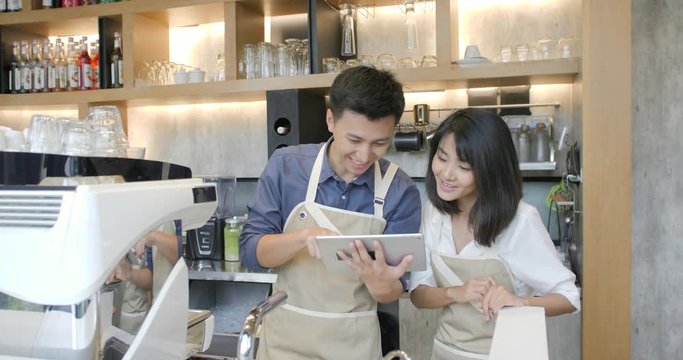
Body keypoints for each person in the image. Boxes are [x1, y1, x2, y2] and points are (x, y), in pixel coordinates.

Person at [239, 65, 421, 359]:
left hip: (354, 345)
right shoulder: (286, 166)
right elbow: (251, 253)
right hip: (285, 341)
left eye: (379, 143)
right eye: (354, 140)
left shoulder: (401, 191)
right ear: (329, 120)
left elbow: (394, 289)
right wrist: (302, 238)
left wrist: (381, 284)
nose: (364, 156)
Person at [409, 109, 580, 359]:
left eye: (463, 166)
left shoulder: (520, 220)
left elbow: (569, 298)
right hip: (446, 351)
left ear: (490, 171)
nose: (446, 174)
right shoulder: (433, 213)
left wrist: (519, 302)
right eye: (442, 158)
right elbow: (418, 295)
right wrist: (457, 292)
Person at [108, 221, 182, 334]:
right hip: (159, 313)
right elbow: (152, 277)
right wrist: (130, 273)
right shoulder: (153, 221)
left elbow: (185, 256)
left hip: (179, 309)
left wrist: (154, 237)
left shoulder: (178, 216)